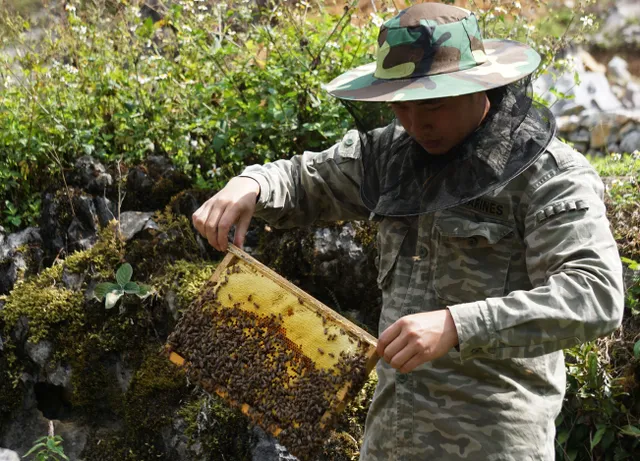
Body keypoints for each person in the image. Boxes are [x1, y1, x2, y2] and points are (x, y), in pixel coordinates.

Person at [192, 3, 624, 460]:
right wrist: (252, 184)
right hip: (389, 441)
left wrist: (459, 324)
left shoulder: (548, 176)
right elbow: (306, 179)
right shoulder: (391, 156)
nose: (416, 124)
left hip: (493, 444)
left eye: (432, 104)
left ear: (481, 87)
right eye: (401, 106)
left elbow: (593, 295)